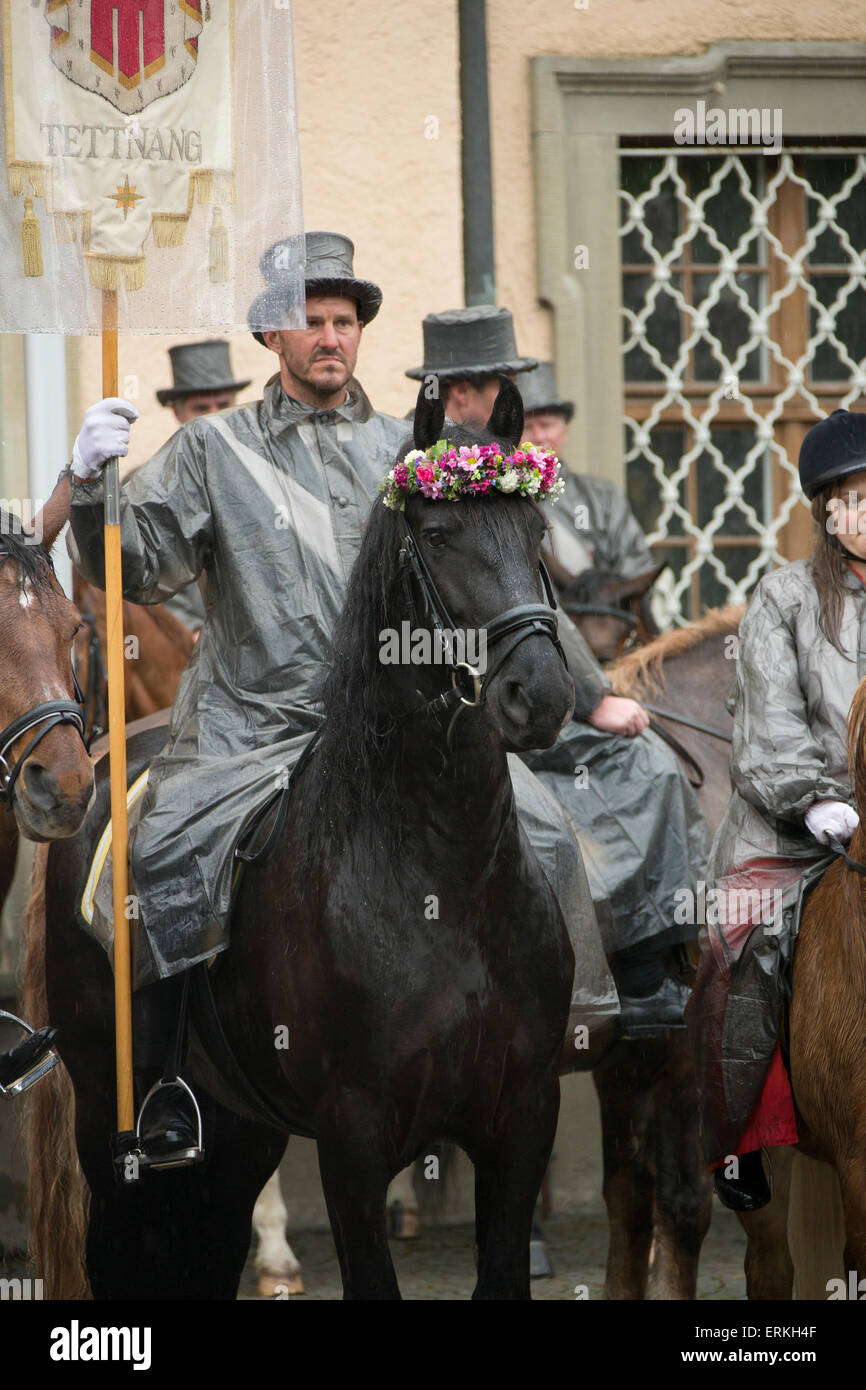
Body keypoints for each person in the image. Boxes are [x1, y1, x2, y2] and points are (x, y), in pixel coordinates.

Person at [65, 236, 616, 1166]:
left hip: (398, 737)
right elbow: (128, 564)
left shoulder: (412, 451)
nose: (330, 338)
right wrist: (91, 487)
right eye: (311, 321)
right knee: (151, 853)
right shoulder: (212, 448)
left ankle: (553, 1033)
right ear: (273, 335)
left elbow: (496, 572)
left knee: (548, 830)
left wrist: (591, 693)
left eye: (345, 322)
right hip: (251, 732)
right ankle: (165, 1083)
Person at [407, 307, 708, 1039]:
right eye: (496, 382)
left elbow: (536, 601)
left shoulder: (500, 465)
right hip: (445, 695)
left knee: (652, 766)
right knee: (542, 823)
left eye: (508, 378)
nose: (511, 394)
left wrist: (593, 694)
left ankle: (642, 969)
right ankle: (570, 984)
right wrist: (592, 695)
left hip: (519, 674)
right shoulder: (425, 471)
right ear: (453, 392)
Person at [688, 408, 866, 1212]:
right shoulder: (783, 598)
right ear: (828, 513)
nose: (865, 511)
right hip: (795, 827)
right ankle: (738, 1142)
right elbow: (766, 733)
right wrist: (817, 804)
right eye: (852, 498)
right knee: (740, 941)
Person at [519, 362, 654, 581]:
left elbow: (636, 570)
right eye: (527, 427)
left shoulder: (604, 496)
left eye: (546, 425)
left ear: (564, 432)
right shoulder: (504, 500)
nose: (539, 437)